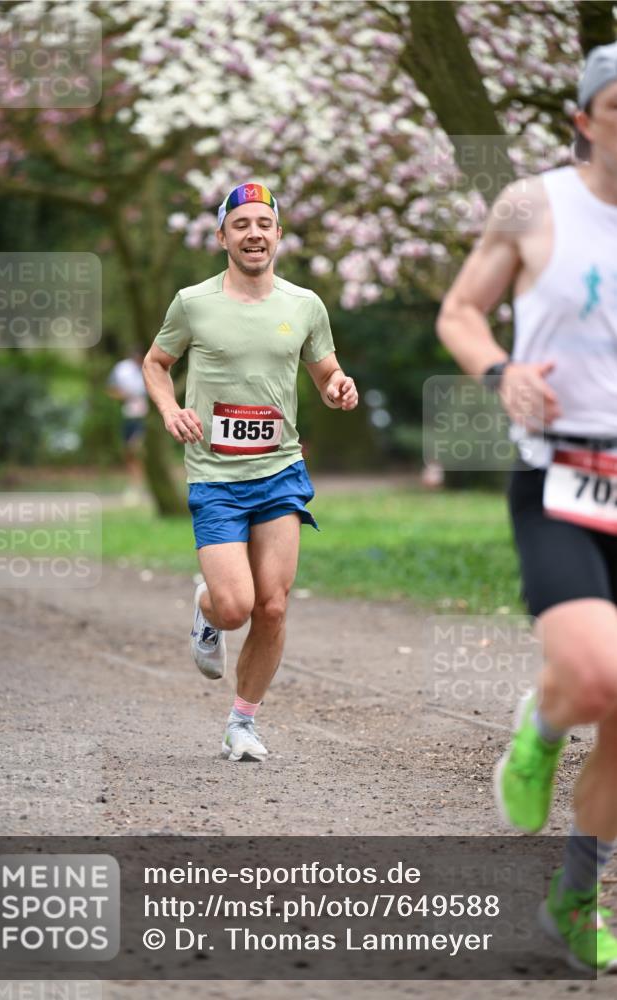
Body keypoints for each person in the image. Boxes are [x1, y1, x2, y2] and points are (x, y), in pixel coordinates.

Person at [437, 43, 617, 973]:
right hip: (559, 478)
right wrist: (501, 375)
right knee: (594, 678)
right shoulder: (531, 205)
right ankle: (541, 728)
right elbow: (460, 311)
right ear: (583, 120)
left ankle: (575, 899)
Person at [143, 181, 358, 762]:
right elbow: (157, 363)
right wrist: (170, 409)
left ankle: (243, 723)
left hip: (280, 471)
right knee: (235, 606)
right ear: (222, 238)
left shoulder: (304, 305)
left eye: (263, 223)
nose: (253, 233)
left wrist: (338, 387)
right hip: (214, 475)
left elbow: (326, 373)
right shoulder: (193, 303)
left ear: (279, 235)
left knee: (273, 605)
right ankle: (207, 607)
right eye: (240, 225)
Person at [107, 350, 148, 503]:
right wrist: (126, 396)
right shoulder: (123, 369)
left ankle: (137, 486)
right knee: (129, 454)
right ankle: (135, 484)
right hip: (128, 416)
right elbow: (111, 389)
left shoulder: (151, 367)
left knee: (136, 449)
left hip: (144, 418)